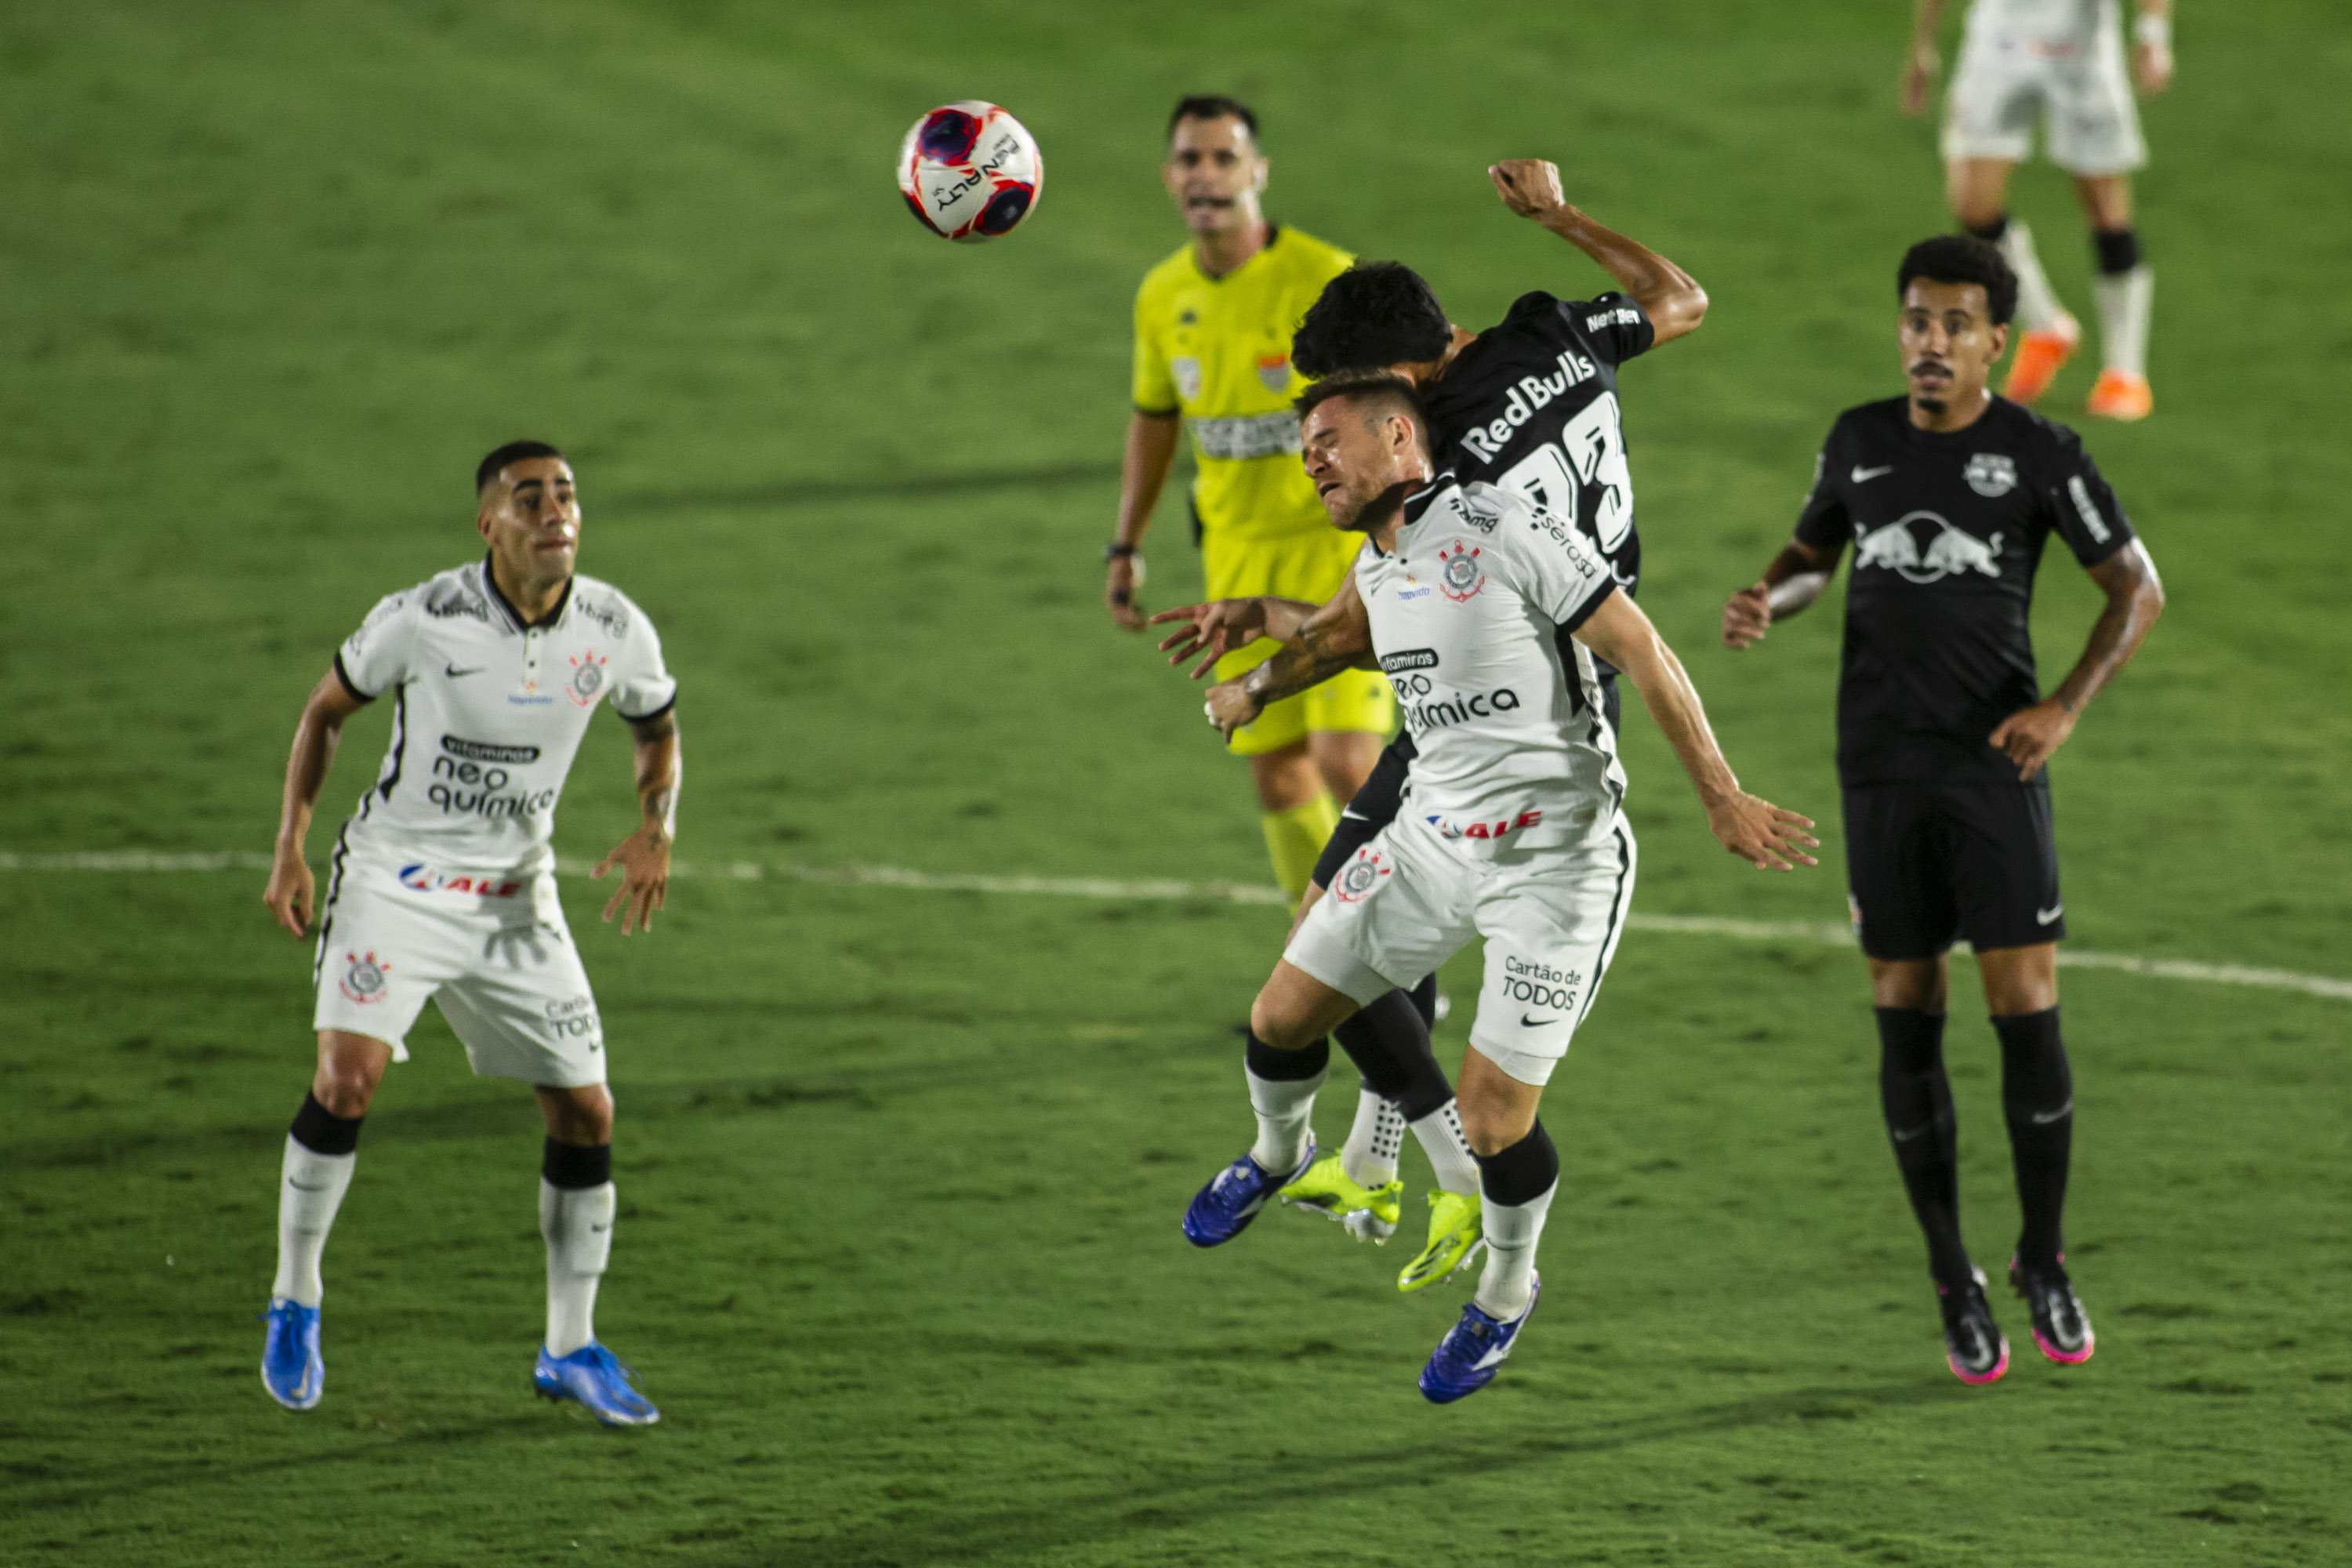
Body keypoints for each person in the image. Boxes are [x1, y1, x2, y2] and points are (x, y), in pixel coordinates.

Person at [1178, 374, 1817, 1402]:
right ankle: (1274, 1151)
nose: (1313, 461)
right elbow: (1344, 641)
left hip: (1555, 868)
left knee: (1491, 1120)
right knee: (1283, 1014)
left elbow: (1640, 647)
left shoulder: (1501, 523)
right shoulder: (1378, 565)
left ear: (1399, 436)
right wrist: (1254, 683)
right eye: (1305, 448)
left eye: (1330, 441)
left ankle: (1506, 1295)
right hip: (1432, 844)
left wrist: (1721, 795)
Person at [1163, 161, 1708, 1292]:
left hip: (1513, 695)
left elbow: (1377, 621)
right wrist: (1560, 219)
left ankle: (1441, 1165)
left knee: (1341, 919)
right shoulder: (1551, 330)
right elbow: (1681, 298)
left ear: (1401, 382)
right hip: (1545, 658)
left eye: (1359, 398)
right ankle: (1379, 1152)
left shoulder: (1445, 459)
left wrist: (1265, 648)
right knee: (1336, 921)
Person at [1721, 236, 2164, 1384]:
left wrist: (2064, 706)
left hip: (1993, 770)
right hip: (1877, 767)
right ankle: (1951, 1274)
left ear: (1995, 343)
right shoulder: (1860, 439)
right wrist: (1775, 596)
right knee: (1905, 1007)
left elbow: (2137, 588)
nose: (1931, 343)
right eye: (1917, 320)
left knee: (2025, 1006)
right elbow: (1815, 549)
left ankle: (2043, 1257)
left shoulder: (2036, 450)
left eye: (1956, 325)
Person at [257, 441, 682, 1427]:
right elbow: (326, 712)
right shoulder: (425, 617)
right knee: (346, 1078)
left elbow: (655, 723)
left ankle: (568, 1347)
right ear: (488, 526)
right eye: (528, 498)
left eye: (567, 494)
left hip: (513, 895)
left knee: (588, 1112)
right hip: (395, 881)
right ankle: (296, 1297)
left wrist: (658, 826)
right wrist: (291, 844)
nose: (554, 512)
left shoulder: (615, 627)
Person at [1109, 95, 1391, 901]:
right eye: (1190, 159)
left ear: (1257, 172)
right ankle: (1326, 962)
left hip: (1337, 551)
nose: (1205, 175)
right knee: (1276, 770)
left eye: (1223, 158)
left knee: (1348, 759)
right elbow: (1155, 420)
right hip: (1236, 561)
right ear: (1169, 177)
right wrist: (1126, 545)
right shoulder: (1162, 295)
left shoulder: (1324, 276)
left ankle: (1408, 967)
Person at [1903, 0, 2175, 419]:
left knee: (2105, 209)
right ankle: (2048, 327)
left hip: (2080, 50)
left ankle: (2125, 373)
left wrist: (2153, 34)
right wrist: (1923, 45)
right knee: (1972, 206)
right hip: (1999, 43)